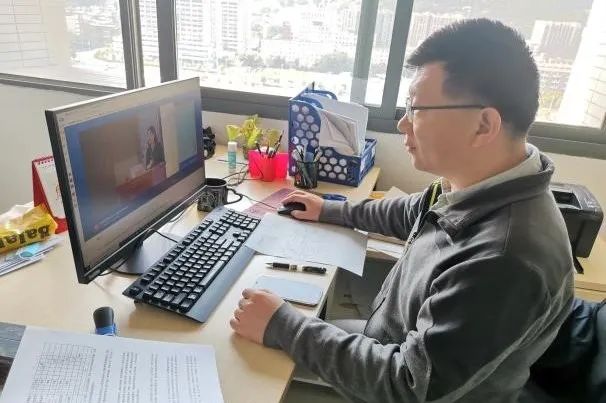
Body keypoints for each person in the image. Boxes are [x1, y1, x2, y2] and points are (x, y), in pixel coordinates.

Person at [230, 19, 574, 402]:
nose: (403, 124)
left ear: (484, 124)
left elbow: (409, 386)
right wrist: (331, 210)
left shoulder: (506, 259)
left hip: (401, 383)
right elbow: (413, 211)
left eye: (417, 109)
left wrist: (284, 326)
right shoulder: (478, 183)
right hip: (387, 344)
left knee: (242, 378)